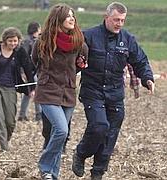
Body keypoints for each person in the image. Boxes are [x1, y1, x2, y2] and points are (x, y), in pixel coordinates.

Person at [71, 2, 155, 180]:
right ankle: (81, 153)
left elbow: (140, 60)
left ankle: (98, 172)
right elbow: (73, 61)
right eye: (116, 19)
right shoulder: (89, 36)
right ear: (106, 17)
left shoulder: (128, 39)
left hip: (115, 94)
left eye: (123, 20)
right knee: (99, 126)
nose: (119, 24)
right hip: (92, 91)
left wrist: (147, 78)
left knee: (110, 135)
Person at [31, 4, 88, 180]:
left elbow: (80, 65)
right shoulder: (43, 41)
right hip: (47, 91)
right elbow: (35, 61)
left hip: (68, 92)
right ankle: (45, 165)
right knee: (62, 130)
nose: (72, 19)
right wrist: (45, 77)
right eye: (68, 16)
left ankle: (51, 175)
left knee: (60, 134)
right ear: (58, 19)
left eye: (73, 16)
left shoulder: (79, 42)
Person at [18, 21, 42, 122]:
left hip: (33, 72)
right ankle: (38, 114)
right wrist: (23, 72)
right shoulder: (28, 42)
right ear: (36, 29)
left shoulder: (32, 40)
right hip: (30, 72)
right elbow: (24, 58)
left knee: (28, 93)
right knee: (35, 92)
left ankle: (22, 115)